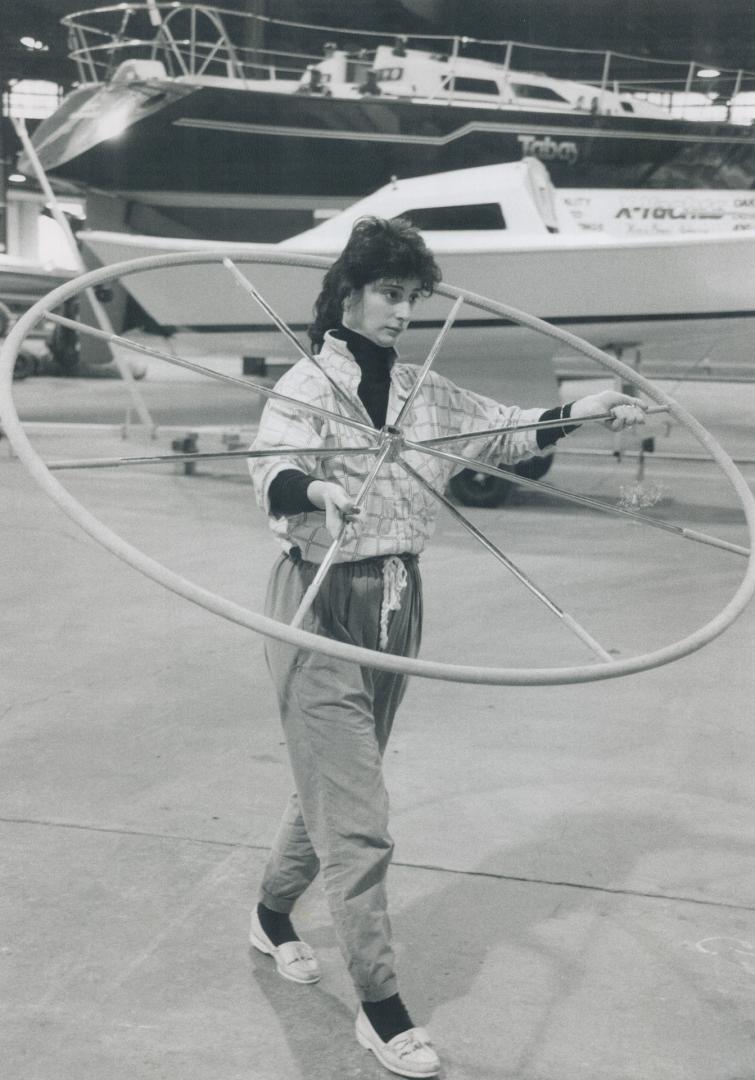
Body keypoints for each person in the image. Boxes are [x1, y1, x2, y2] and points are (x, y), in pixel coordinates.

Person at [247, 216, 646, 1078]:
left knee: (331, 785)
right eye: (390, 294)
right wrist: (317, 486)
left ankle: (271, 915)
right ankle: (382, 1010)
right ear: (350, 293)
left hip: (395, 601)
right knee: (358, 817)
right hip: (317, 600)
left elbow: (501, 429)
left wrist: (584, 406)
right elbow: (270, 467)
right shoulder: (308, 383)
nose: (401, 311)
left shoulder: (426, 390)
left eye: (412, 298)